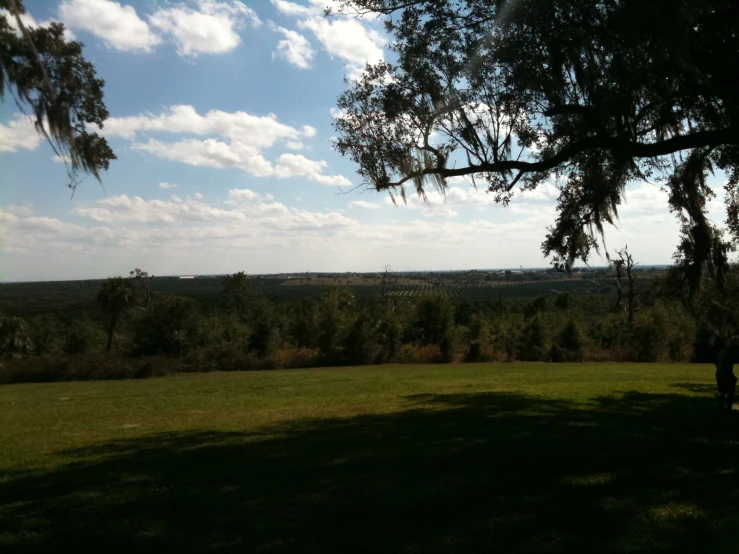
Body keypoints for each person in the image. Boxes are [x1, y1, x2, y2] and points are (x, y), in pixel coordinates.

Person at [715, 339, 738, 416]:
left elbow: (716, 362)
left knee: (722, 392)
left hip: (719, 373)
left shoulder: (722, 352)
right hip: (726, 374)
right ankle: (728, 410)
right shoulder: (731, 353)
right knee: (730, 392)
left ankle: (721, 409)